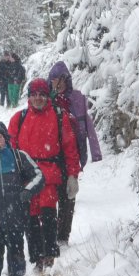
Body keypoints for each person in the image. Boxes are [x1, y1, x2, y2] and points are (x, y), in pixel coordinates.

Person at [8, 79, 80, 271]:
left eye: (41, 94)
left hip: (49, 175)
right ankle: (37, 259)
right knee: (31, 220)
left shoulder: (58, 116)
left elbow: (69, 147)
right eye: (34, 94)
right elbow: (10, 151)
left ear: (48, 96)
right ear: (29, 96)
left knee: (48, 217)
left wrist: (73, 175)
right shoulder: (19, 118)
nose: (38, 98)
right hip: (27, 177)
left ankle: (49, 258)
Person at [0, 121, 44, 276]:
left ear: (6, 137)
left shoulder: (18, 156)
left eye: (0, 134)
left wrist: (27, 192)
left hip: (16, 215)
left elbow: (39, 176)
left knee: (16, 251)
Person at [48, 61, 102, 244]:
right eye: (54, 80)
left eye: (60, 79)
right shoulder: (47, 100)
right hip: (52, 154)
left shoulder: (78, 98)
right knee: (52, 195)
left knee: (69, 195)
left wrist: (96, 151)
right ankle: (52, 233)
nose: (57, 83)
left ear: (66, 79)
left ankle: (63, 236)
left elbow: (88, 125)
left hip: (73, 153)